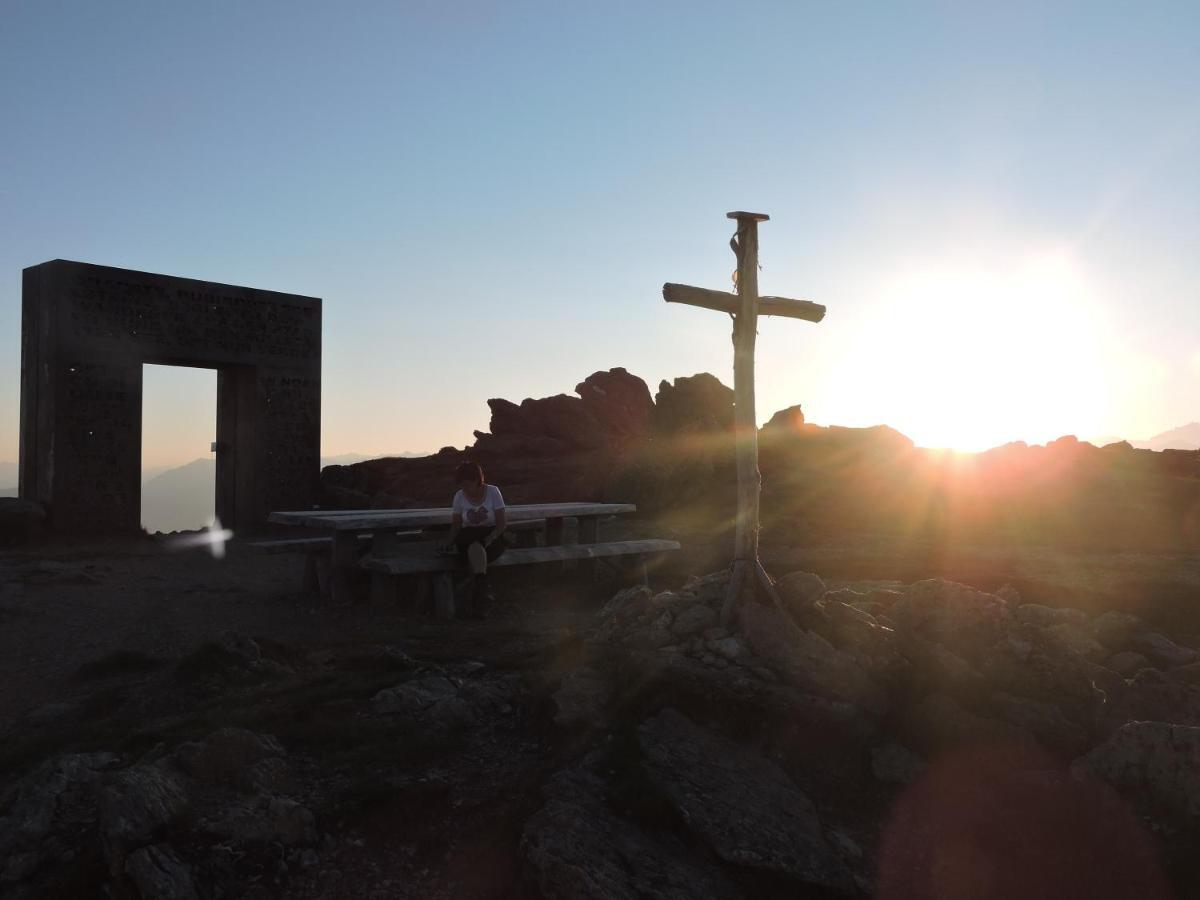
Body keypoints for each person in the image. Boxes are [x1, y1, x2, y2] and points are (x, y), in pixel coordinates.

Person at [438, 461, 508, 614]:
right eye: (461, 485)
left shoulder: (493, 492)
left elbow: (502, 524)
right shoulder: (459, 496)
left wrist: (490, 538)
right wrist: (447, 542)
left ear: (477, 480)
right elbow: (456, 525)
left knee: (476, 549)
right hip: (468, 537)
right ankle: (482, 592)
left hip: (492, 537)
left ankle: (476, 596)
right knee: (473, 544)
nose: (464, 489)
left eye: (467, 484)